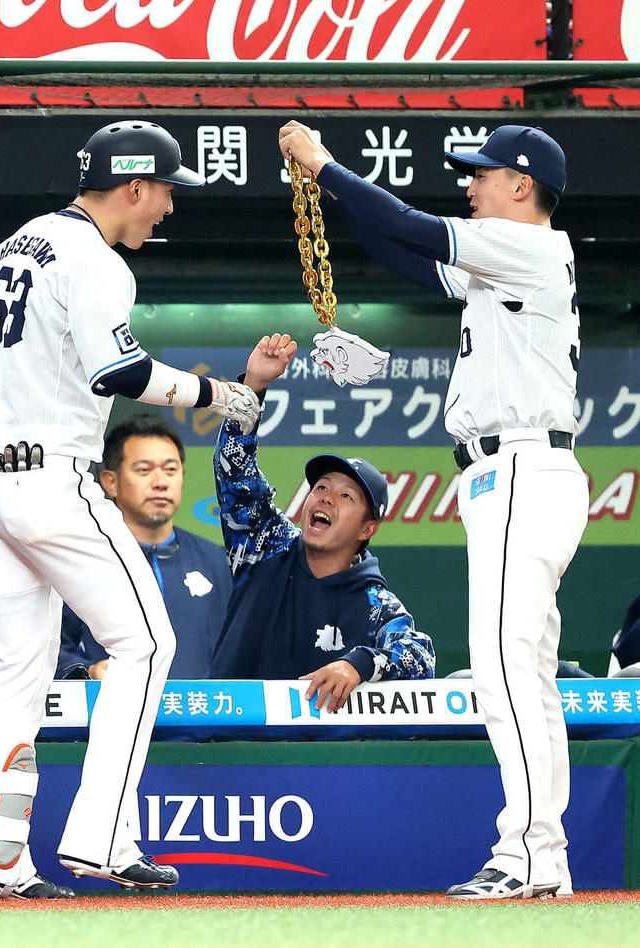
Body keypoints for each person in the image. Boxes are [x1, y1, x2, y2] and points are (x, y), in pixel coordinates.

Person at [0, 119, 261, 899]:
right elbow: (119, 370)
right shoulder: (95, 259)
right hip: (44, 480)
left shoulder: (17, 242)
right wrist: (217, 394)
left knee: (18, 668)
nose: (167, 207)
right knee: (146, 645)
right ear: (131, 187)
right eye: (163, 191)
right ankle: (102, 838)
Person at [281, 121, 586, 900]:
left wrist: (325, 168)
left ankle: (521, 852)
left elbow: (410, 226)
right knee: (526, 675)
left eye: (481, 174)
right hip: (510, 472)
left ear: (522, 186)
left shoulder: (533, 245)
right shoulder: (503, 263)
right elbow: (400, 252)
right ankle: (541, 857)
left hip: (521, 465)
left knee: (504, 666)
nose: (469, 184)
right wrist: (325, 191)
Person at [212, 334, 435, 710]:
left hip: (322, 760)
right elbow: (235, 472)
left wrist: (360, 664)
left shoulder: (376, 603)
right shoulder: (267, 545)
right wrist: (253, 388)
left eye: (346, 496)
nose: (326, 497)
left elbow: (420, 657)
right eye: (321, 487)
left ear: (368, 529)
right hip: (227, 742)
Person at [55, 413, 230, 682]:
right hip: (112, 715)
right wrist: (88, 671)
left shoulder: (217, 561)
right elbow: (50, 649)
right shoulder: (79, 561)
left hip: (205, 717)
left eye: (170, 470)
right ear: (110, 482)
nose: (160, 482)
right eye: (144, 470)